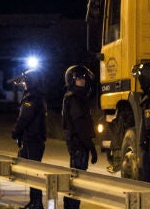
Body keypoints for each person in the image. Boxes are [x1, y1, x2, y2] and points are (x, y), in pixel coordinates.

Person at [61, 65, 97, 209]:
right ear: (72, 80)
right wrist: (91, 147)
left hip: (78, 144)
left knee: (75, 177)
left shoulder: (77, 97)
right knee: (77, 179)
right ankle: (71, 206)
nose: (82, 81)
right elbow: (80, 126)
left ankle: (71, 205)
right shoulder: (75, 99)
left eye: (83, 78)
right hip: (79, 145)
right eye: (79, 78)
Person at [11, 70, 47, 209]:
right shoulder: (36, 96)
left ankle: (37, 203)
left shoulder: (32, 98)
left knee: (34, 172)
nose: (23, 85)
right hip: (33, 139)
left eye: (25, 82)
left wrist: (15, 132)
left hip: (33, 139)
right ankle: (33, 202)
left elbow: (24, 118)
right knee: (32, 172)